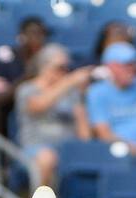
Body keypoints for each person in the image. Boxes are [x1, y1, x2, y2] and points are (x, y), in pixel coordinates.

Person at [14, 44, 92, 189]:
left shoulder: (71, 93)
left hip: (68, 151)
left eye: (67, 68)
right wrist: (70, 81)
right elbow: (38, 106)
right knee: (47, 158)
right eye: (60, 67)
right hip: (35, 149)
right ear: (44, 66)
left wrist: (81, 96)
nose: (65, 72)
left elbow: (85, 136)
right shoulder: (27, 89)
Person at [0, 14, 49, 139]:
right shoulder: (5, 55)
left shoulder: (51, 56)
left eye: (41, 34)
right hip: (10, 104)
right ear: (22, 35)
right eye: (33, 33)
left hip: (45, 101)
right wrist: (22, 81)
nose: (37, 38)